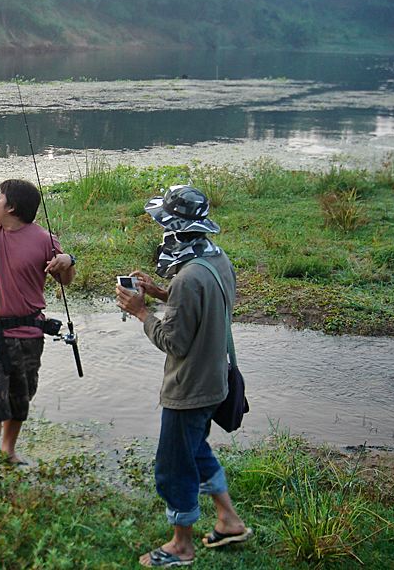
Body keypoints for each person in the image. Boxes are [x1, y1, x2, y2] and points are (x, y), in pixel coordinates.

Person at [115, 185, 252, 567]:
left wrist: (141, 311)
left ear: (174, 228)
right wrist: (163, 292)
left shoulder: (189, 278)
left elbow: (173, 341)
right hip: (215, 380)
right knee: (194, 449)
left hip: (188, 388)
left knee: (173, 466)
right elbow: (201, 305)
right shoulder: (215, 259)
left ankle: (181, 545)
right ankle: (228, 520)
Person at [0, 179, 76, 496]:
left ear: (12, 207)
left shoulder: (45, 240)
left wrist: (67, 262)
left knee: (21, 397)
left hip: (30, 333)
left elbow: (66, 279)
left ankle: (9, 448)